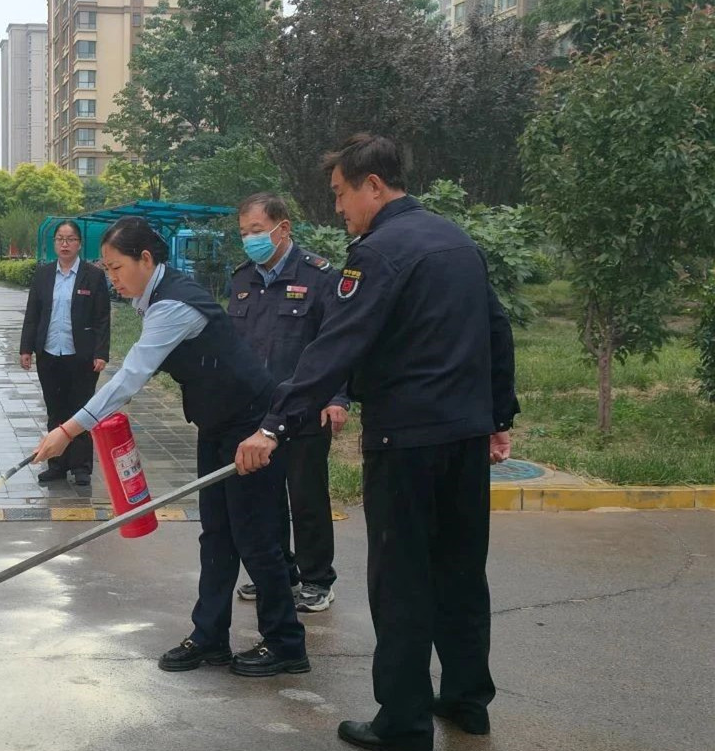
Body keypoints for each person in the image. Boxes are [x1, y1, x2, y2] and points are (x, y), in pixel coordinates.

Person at [234, 134, 519, 751]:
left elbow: (336, 346)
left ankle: (403, 721)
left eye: (341, 194)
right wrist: (499, 414)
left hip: (406, 440)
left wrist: (274, 425)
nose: (338, 207)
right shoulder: (457, 241)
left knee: (401, 579)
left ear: (373, 186)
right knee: (461, 571)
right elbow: (496, 329)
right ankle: (468, 701)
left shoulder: (379, 253)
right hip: (466, 436)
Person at [33, 216, 308, 678]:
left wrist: (68, 430)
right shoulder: (156, 296)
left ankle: (286, 643)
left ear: (145, 259)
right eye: (106, 269)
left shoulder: (174, 305)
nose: (112, 279)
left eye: (117, 268)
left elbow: (129, 378)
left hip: (251, 426)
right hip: (218, 423)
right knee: (216, 534)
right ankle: (210, 637)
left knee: (256, 537)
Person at [228, 192, 349, 613]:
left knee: (306, 496)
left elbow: (337, 343)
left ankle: (317, 579)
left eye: (257, 231)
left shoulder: (319, 276)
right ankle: (278, 572)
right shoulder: (242, 279)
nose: (250, 240)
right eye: (244, 233)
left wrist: (337, 398)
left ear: (283, 228)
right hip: (256, 410)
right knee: (265, 497)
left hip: (305, 408)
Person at [19, 220, 111, 486]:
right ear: (54, 243)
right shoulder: (43, 275)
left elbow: (102, 318)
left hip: (81, 355)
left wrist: (101, 353)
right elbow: (32, 314)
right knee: (55, 409)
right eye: (60, 239)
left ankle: (81, 466)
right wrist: (26, 348)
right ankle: (56, 465)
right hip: (49, 353)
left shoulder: (93, 276)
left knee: (81, 409)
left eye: (70, 239)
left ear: (79, 244)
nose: (65, 244)